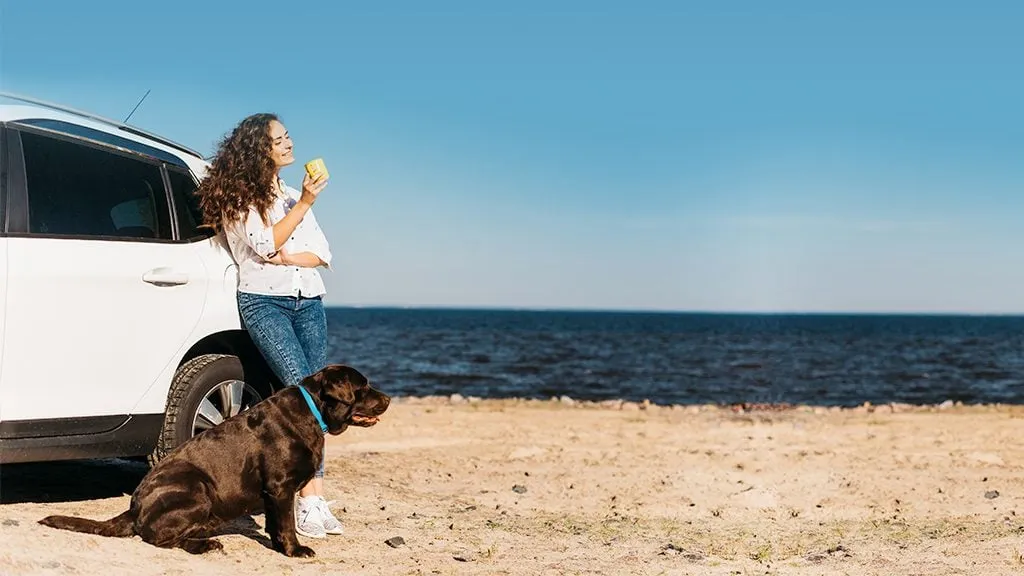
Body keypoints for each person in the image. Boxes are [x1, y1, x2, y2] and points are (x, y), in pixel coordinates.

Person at [194, 112, 340, 539]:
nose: (289, 144)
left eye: (289, 136)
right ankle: (310, 501)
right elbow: (263, 243)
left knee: (320, 397)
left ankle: (312, 496)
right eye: (280, 139)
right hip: (265, 302)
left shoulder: (292, 196)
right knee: (304, 394)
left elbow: (322, 253)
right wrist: (307, 207)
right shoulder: (242, 199)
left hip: (308, 301)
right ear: (260, 150)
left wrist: (293, 255)